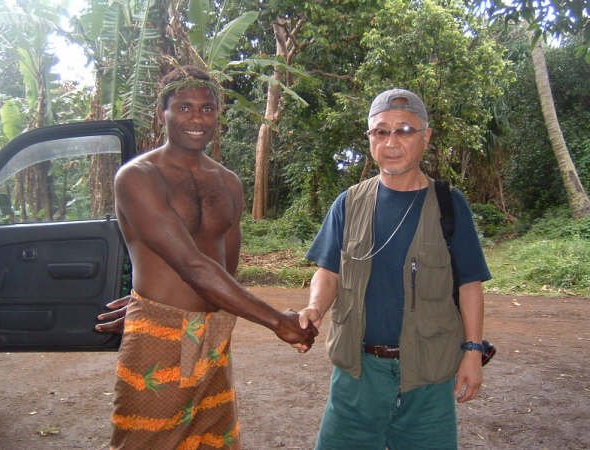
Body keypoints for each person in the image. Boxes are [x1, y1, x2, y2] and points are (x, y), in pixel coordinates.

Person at [100, 65, 317, 450]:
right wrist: (277, 321)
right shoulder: (138, 176)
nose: (197, 118)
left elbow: (225, 271)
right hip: (158, 330)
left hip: (215, 331)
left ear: (218, 114)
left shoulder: (228, 182)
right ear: (162, 113)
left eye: (207, 108)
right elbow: (192, 266)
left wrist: (223, 314)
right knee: (146, 440)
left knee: (212, 442)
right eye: (184, 107)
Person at [296, 89, 491, 449]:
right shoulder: (349, 203)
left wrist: (472, 351)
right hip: (357, 377)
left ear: (426, 137)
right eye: (381, 131)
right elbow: (329, 270)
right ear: (369, 138)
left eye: (404, 130)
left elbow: (469, 284)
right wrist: (315, 307)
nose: (392, 142)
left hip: (427, 380)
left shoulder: (449, 205)